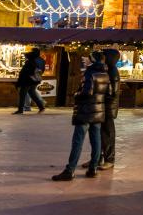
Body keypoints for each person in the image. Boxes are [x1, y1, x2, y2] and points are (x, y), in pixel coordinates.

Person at [52, 50, 110, 181]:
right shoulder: (105, 73)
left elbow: (87, 92)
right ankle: (93, 168)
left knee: (78, 141)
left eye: (88, 58)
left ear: (93, 60)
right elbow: (109, 92)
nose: (86, 59)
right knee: (96, 141)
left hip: (85, 111)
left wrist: (76, 95)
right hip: (98, 112)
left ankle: (70, 170)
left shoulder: (90, 72)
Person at [99, 49, 121, 170]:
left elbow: (112, 92)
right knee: (99, 132)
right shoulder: (108, 69)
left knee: (107, 133)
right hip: (105, 105)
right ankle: (97, 157)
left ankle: (109, 159)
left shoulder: (112, 71)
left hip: (108, 106)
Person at [13, 48, 46, 114]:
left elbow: (24, 73)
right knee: (31, 93)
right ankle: (41, 107)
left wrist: (19, 82)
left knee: (22, 94)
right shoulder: (41, 61)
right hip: (35, 79)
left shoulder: (30, 62)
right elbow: (42, 70)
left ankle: (20, 110)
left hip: (27, 80)